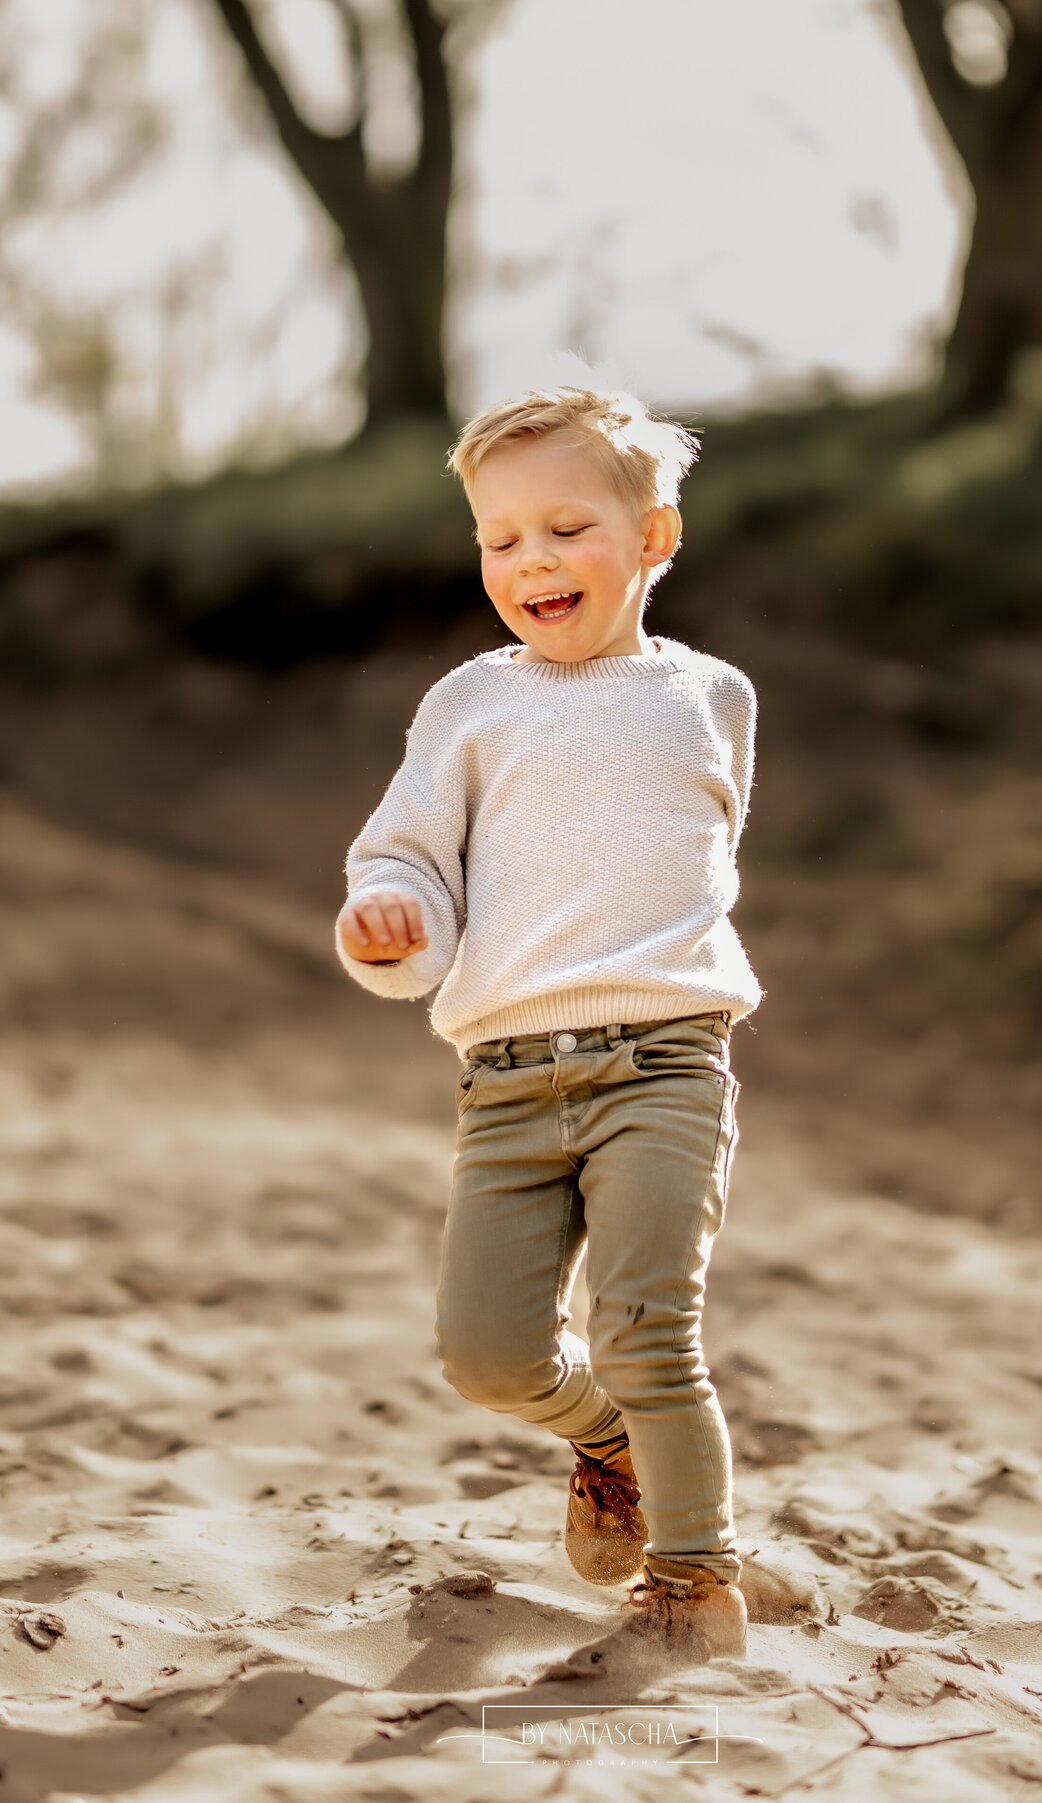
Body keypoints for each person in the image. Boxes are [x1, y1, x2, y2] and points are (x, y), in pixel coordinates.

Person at [335, 386, 761, 1673]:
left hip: (665, 1060)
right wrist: (389, 914)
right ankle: (608, 1441)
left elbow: (692, 864)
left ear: (655, 537)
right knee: (488, 1355)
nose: (529, 562)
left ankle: (696, 1576)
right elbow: (406, 852)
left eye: (566, 528)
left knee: (650, 1331)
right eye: (498, 539)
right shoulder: (468, 702)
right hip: (508, 1077)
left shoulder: (711, 696)